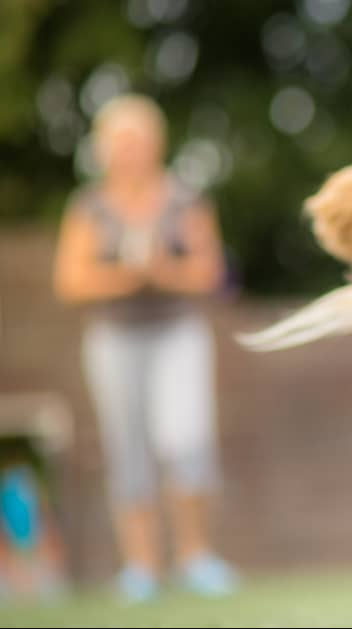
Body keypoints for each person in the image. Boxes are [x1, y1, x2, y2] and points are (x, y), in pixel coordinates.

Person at [51, 95, 236, 602]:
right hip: (114, 340)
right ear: (105, 149)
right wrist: (127, 278)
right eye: (120, 141)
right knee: (127, 449)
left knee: (188, 442)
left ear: (156, 143)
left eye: (138, 140)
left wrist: (162, 273)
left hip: (178, 335)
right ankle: (141, 568)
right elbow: (71, 280)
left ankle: (197, 558)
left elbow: (209, 273)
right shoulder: (89, 206)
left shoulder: (185, 200)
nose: (129, 150)